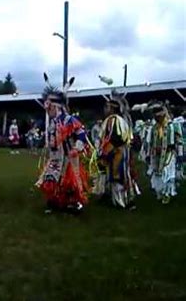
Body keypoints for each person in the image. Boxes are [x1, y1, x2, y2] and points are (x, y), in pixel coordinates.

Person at [36, 73, 90, 214]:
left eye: (49, 108)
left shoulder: (68, 120)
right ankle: (54, 203)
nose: (47, 111)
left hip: (69, 157)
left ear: (56, 107)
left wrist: (76, 148)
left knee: (70, 183)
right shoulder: (53, 123)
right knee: (51, 178)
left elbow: (81, 134)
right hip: (55, 158)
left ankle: (74, 205)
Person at [92, 90, 139, 209]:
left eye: (106, 107)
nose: (105, 110)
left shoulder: (113, 120)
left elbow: (114, 138)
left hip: (117, 153)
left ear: (112, 109)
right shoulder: (119, 120)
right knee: (121, 176)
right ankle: (124, 200)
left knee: (118, 177)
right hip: (121, 152)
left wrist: (104, 153)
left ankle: (122, 202)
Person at [145, 101, 182, 204]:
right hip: (156, 155)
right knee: (157, 173)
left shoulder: (172, 126)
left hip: (169, 153)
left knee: (167, 172)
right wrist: (149, 153)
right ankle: (160, 192)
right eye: (155, 117)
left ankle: (167, 193)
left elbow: (178, 141)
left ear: (163, 115)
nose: (157, 119)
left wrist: (179, 153)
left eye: (159, 117)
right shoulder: (154, 128)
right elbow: (150, 142)